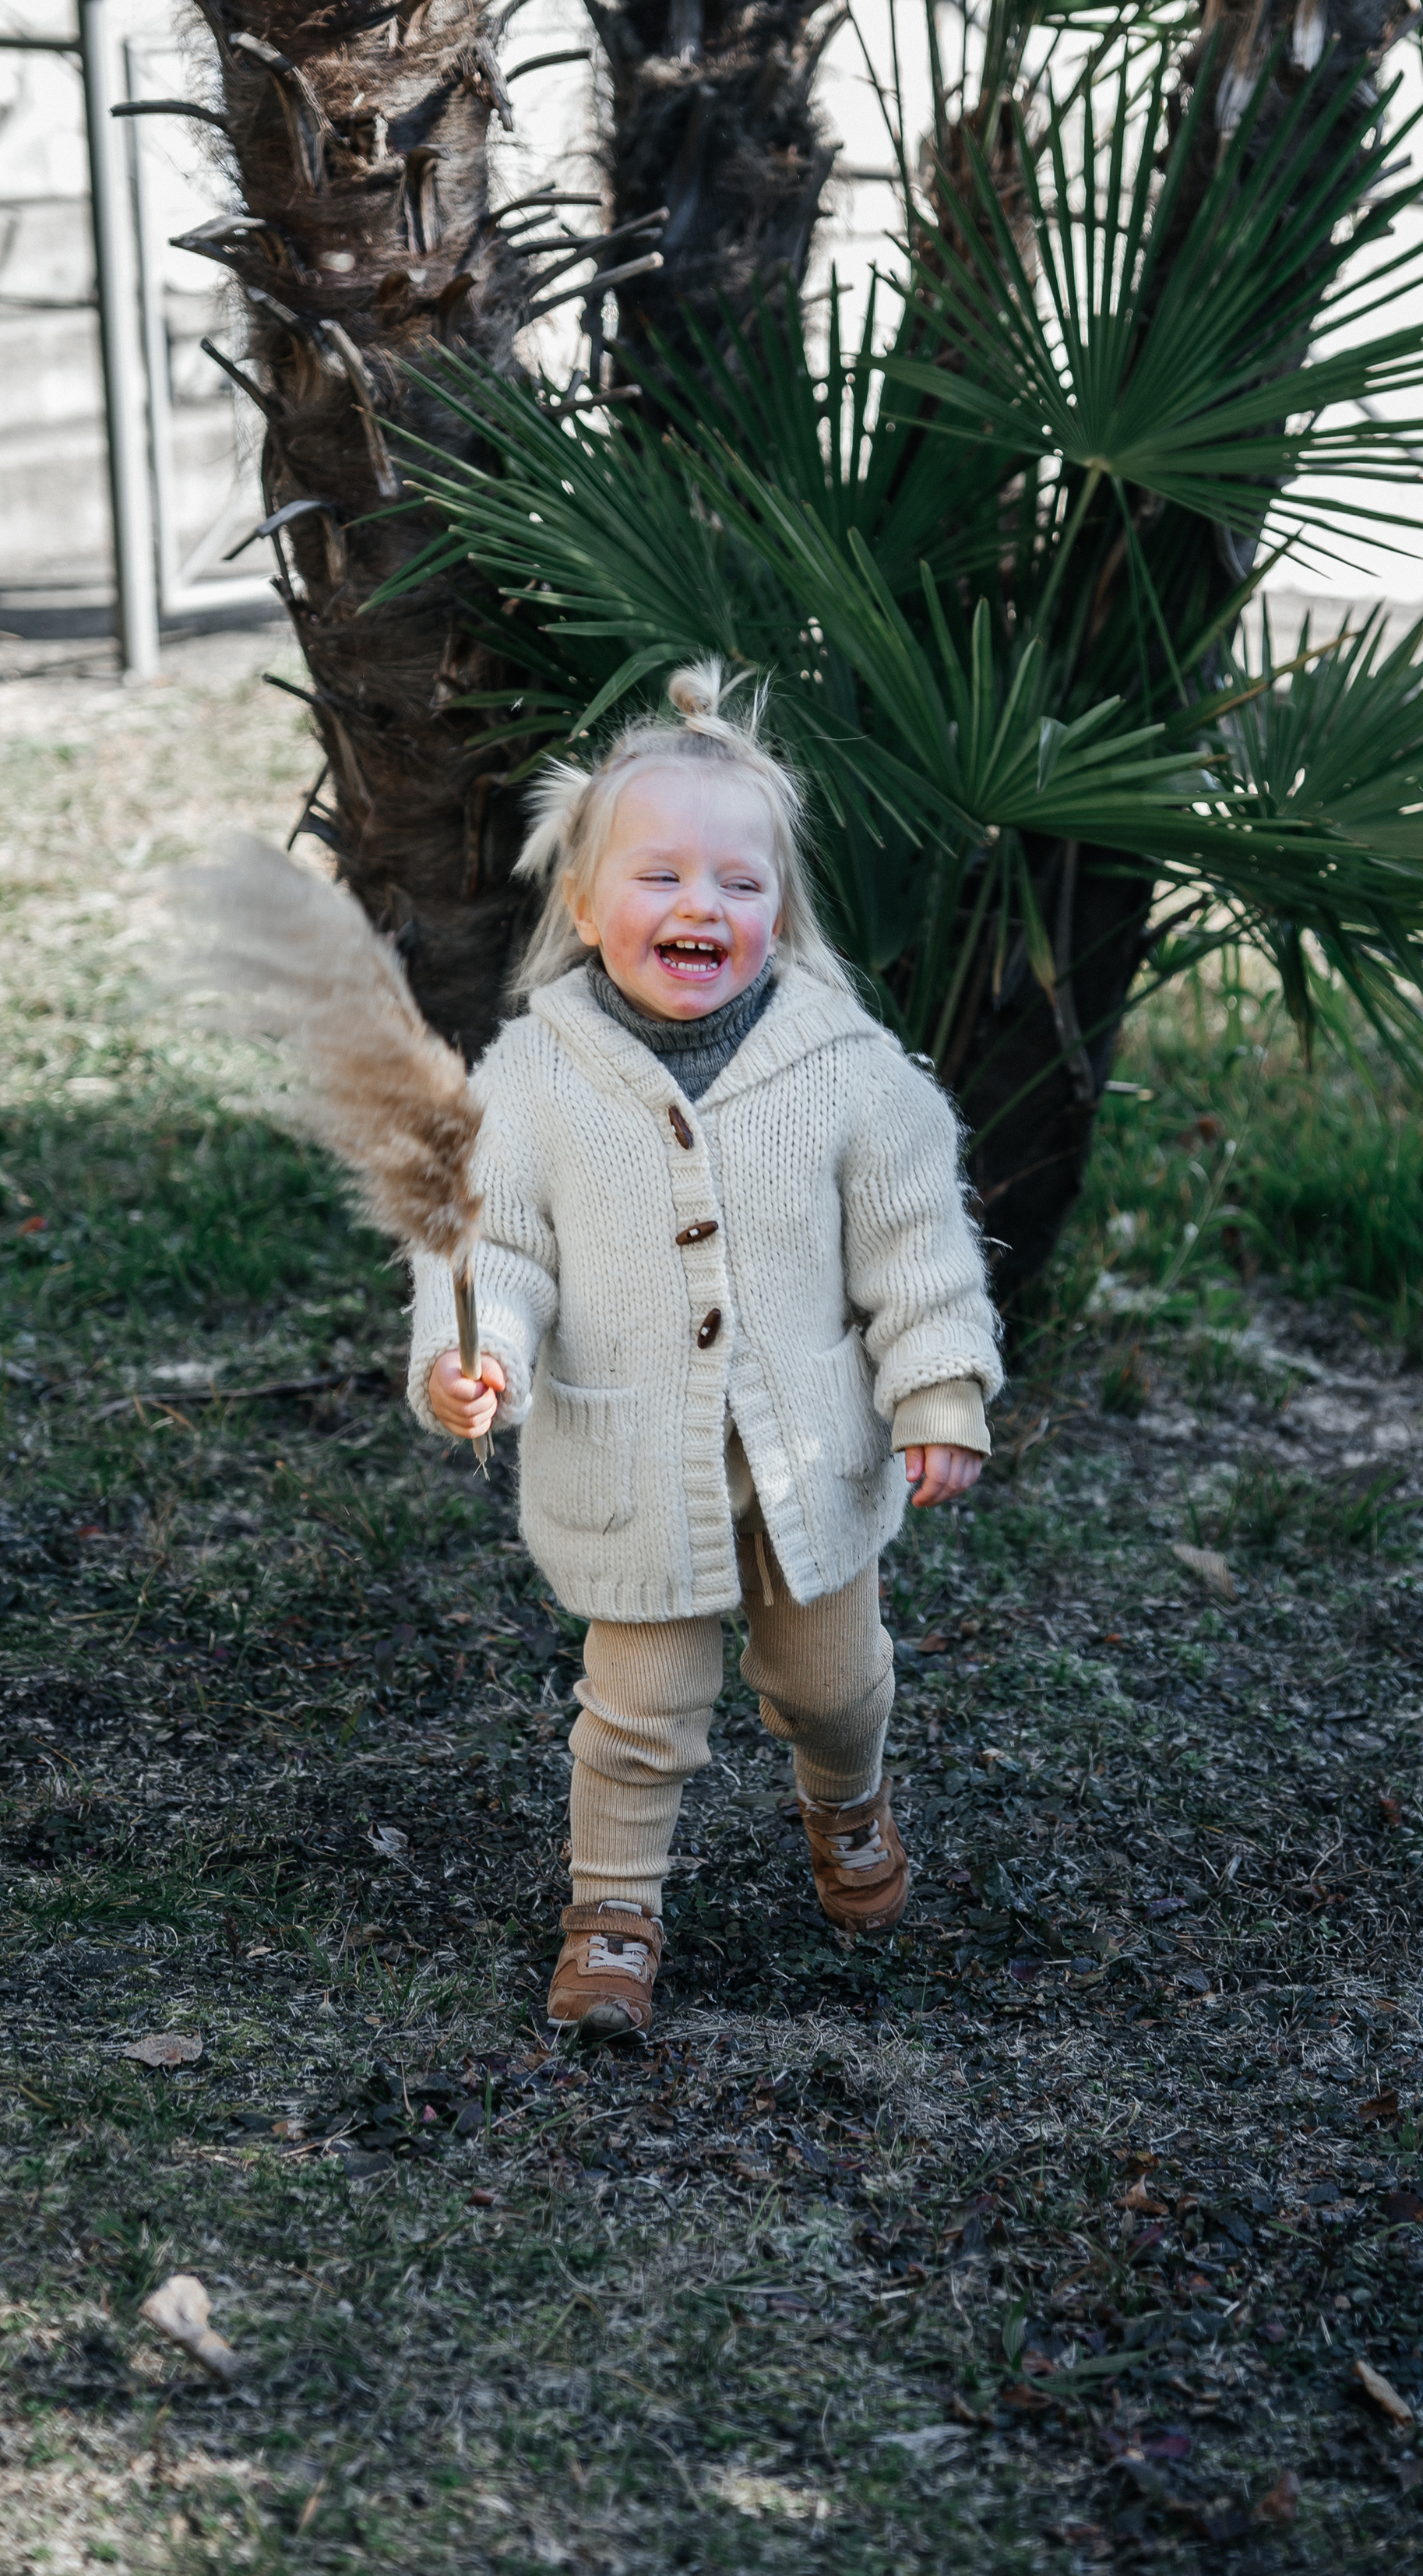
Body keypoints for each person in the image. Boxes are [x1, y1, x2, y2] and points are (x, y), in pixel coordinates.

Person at [408, 661, 1001, 2038]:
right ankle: (612, 1917)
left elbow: (917, 1248)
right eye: (661, 877)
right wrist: (472, 1352)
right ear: (585, 905)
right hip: (634, 1458)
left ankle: (847, 1802)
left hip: (811, 1460)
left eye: (739, 886)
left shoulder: (848, 1070)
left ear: (778, 912)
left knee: (831, 1687)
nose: (701, 906)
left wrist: (941, 1391)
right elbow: (491, 1247)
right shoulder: (536, 1076)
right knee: (637, 1709)